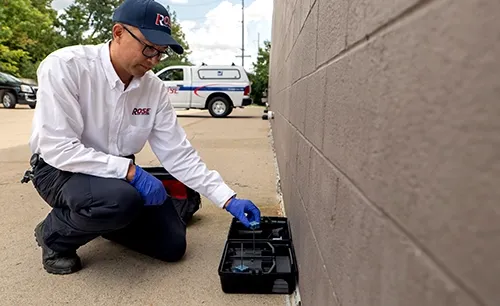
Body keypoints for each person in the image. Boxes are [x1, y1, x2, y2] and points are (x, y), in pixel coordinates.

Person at [27, 0, 261, 275]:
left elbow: (178, 153)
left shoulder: (154, 89)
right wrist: (131, 173)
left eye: (160, 53)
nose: (153, 60)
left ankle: (104, 218)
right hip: (61, 170)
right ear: (118, 33)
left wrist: (228, 199)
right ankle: (54, 235)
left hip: (117, 176)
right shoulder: (66, 67)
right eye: (148, 48)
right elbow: (60, 149)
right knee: (119, 202)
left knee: (172, 246)